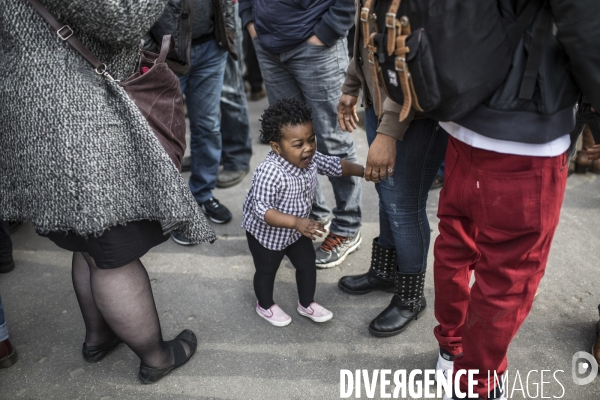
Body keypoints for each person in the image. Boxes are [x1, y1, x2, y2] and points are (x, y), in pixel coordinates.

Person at [1, 0, 217, 383]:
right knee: (112, 249)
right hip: (80, 110)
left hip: (31, 102)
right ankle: (156, 355)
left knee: (88, 239)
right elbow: (121, 18)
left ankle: (99, 336)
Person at [421, 1, 600, 399]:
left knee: (455, 241)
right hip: (527, 133)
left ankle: (451, 350)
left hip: (461, 111)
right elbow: (587, 33)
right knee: (508, 277)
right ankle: (475, 384)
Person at [335, 0, 447, 337]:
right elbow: (366, 35)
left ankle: (411, 298)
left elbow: (411, 60)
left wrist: (388, 132)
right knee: (387, 193)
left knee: (404, 206)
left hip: (413, 114)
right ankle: (385, 272)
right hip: (379, 101)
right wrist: (350, 87)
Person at [239, 0, 364, 269]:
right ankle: (314, 214)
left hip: (318, 47)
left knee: (332, 140)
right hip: (268, 46)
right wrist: (250, 22)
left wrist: (325, 34)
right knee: (292, 142)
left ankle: (347, 226)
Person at [242, 99, 366, 327]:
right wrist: (297, 222)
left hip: (297, 231)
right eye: (298, 144)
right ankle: (265, 304)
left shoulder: (310, 160)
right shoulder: (269, 172)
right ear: (277, 147)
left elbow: (335, 165)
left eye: (311, 140)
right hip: (266, 236)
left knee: (307, 264)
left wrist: (364, 171)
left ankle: (306, 303)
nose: (308, 148)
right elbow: (262, 210)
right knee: (267, 270)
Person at [148, 0, 237, 240]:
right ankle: (174, 209)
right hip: (166, 56)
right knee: (167, 136)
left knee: (208, 127)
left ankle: (203, 194)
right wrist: (150, 51)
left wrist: (228, 32)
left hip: (210, 49)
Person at [217, 1, 252, 189]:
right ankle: (213, 154)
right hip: (188, 15)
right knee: (200, 95)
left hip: (223, 12)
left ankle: (237, 157)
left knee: (229, 90)